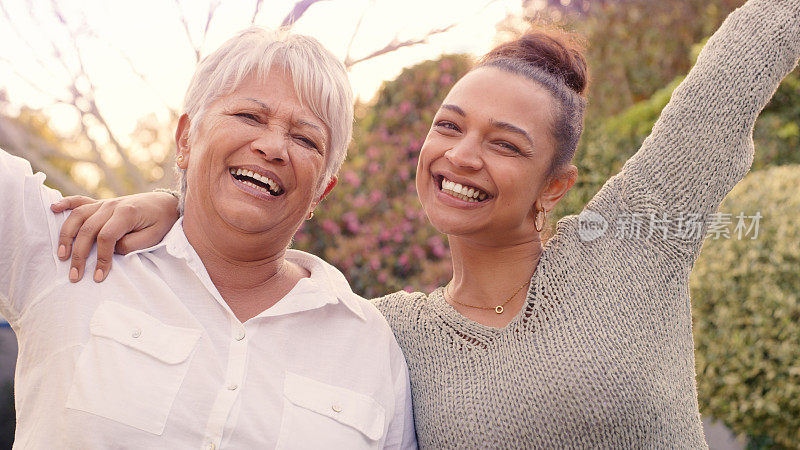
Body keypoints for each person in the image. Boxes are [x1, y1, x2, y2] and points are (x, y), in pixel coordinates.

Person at [53, 0, 800, 447]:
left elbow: (751, 47)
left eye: (506, 145)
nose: (463, 156)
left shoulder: (628, 249)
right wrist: (178, 205)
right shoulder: (383, 334)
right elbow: (251, 281)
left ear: (556, 185)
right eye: (450, 127)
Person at [0, 27, 416, 449]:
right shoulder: (77, 247)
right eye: (249, 116)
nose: (273, 147)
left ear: (322, 190)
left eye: (305, 138)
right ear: (186, 139)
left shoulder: (370, 347)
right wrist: (174, 201)